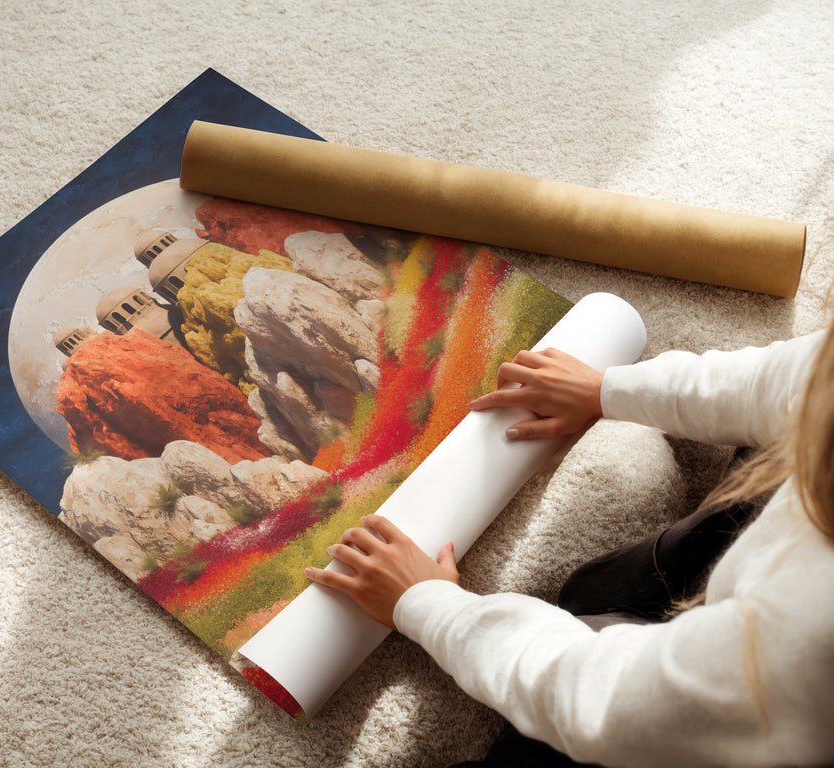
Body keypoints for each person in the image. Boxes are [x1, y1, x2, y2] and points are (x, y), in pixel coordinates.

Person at [304, 324, 834, 767]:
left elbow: (605, 701)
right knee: (598, 591)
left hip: (755, 720)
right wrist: (607, 390)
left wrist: (428, 605)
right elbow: (793, 378)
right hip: (763, 606)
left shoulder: (809, 638)